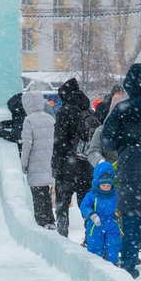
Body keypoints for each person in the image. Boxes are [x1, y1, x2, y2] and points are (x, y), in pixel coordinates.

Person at [102, 63, 141, 279]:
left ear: (129, 84)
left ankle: (128, 267)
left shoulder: (122, 109)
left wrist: (125, 143)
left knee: (131, 221)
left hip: (132, 170)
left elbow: (107, 142)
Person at [51, 78, 94, 238]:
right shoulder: (88, 110)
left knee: (62, 208)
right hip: (86, 166)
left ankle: (62, 241)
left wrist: (55, 165)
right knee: (87, 207)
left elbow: (59, 142)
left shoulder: (65, 111)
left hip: (67, 168)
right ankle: (92, 239)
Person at [20, 91, 56, 229]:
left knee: (37, 194)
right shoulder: (50, 119)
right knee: (46, 193)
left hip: (35, 163)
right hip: (49, 163)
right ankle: (50, 220)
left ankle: (41, 222)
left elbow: (27, 144)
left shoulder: (29, 120)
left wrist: (24, 163)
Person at [79, 162, 121, 265]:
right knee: (95, 244)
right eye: (103, 185)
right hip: (95, 224)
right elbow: (84, 206)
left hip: (111, 222)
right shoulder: (91, 195)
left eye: (109, 185)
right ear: (97, 183)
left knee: (113, 244)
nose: (106, 188)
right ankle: (96, 264)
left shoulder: (115, 194)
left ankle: (113, 263)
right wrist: (91, 215)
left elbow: (122, 204)